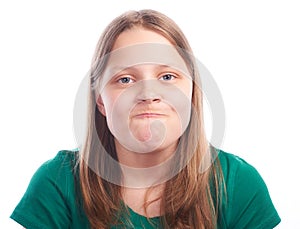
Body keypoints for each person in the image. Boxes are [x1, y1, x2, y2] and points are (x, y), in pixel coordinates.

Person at [10, 9, 281, 229]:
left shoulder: (236, 183)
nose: (149, 94)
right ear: (101, 100)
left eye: (167, 76)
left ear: (192, 91)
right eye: (125, 79)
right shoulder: (59, 182)